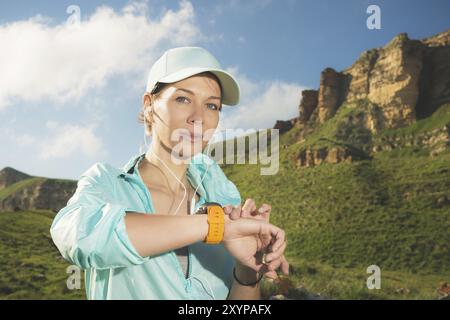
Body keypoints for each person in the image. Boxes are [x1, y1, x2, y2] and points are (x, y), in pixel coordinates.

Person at [50, 46, 289, 300]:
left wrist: (247, 271)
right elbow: (79, 238)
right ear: (149, 104)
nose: (199, 118)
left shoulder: (223, 194)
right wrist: (213, 226)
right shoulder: (107, 183)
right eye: (183, 99)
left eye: (212, 106)